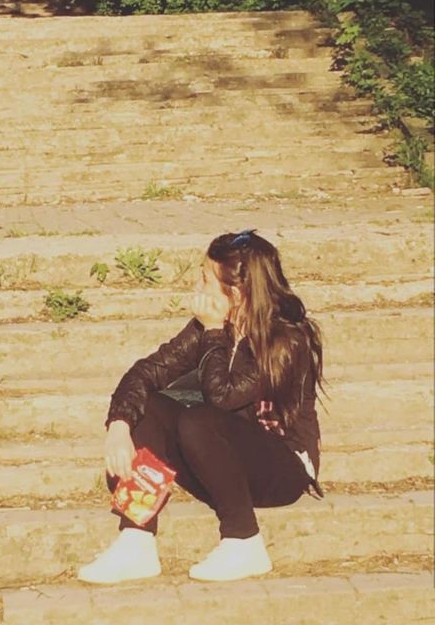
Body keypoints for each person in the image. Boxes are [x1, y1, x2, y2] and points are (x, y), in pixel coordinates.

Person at [77, 229, 326, 584]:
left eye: (207, 279)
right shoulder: (212, 328)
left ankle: (244, 541)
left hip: (282, 468)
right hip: (221, 458)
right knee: (150, 405)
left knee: (198, 420)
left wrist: (212, 333)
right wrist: (119, 424)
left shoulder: (286, 339)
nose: (198, 286)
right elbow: (146, 372)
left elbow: (224, 397)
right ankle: (136, 539)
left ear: (236, 293)